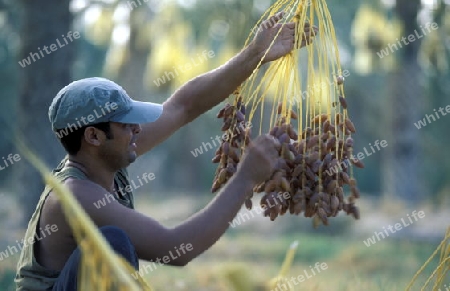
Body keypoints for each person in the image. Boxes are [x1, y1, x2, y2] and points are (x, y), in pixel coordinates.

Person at [15, 12, 317, 291]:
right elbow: (175, 248)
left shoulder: (102, 156)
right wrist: (245, 178)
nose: (137, 129)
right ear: (93, 136)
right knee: (114, 241)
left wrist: (255, 54)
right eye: (126, 124)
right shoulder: (78, 196)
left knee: (114, 243)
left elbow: (183, 106)